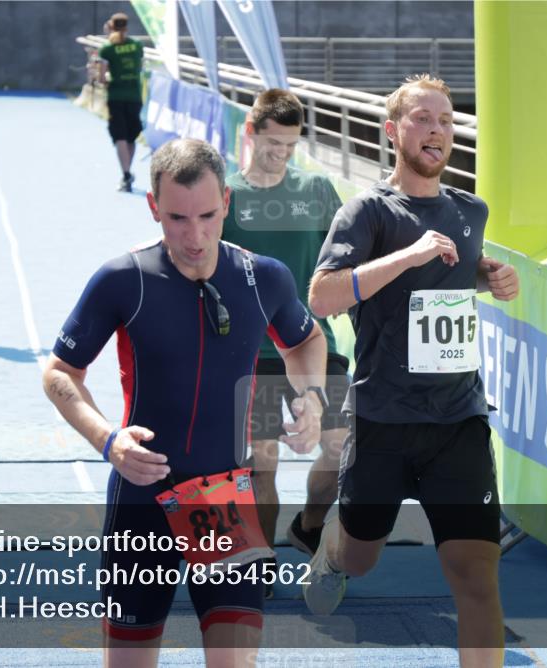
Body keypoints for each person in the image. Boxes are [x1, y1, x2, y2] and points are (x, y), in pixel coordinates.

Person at [42, 138, 328, 668]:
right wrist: (108, 440)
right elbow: (60, 373)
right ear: (153, 206)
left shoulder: (263, 277)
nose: (194, 236)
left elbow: (307, 340)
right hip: (141, 500)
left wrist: (311, 396)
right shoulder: (123, 280)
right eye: (176, 218)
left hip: (223, 501)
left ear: (227, 201)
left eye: (207, 216)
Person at [305, 74, 520, 668]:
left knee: (477, 577)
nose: (437, 131)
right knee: (361, 558)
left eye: (447, 121)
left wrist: (491, 278)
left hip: (458, 418)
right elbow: (322, 298)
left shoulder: (470, 209)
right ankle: (331, 549)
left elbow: (455, 273)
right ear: (393, 130)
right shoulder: (367, 212)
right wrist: (411, 253)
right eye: (423, 119)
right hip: (384, 419)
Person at [220, 89, 351, 595]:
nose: (281, 154)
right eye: (273, 143)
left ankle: (309, 525)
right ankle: (263, 558)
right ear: (250, 133)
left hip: (314, 343)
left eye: (291, 145)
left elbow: (343, 263)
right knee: (262, 462)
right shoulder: (226, 196)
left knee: (341, 449)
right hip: (252, 353)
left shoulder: (318, 191)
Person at [95, 12, 143, 192]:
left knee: (120, 136)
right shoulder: (137, 45)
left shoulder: (107, 48)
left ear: (111, 26)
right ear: (126, 26)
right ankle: (127, 172)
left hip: (116, 96)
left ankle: (126, 174)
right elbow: (140, 66)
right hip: (135, 96)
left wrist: (106, 78)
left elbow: (101, 78)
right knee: (131, 136)